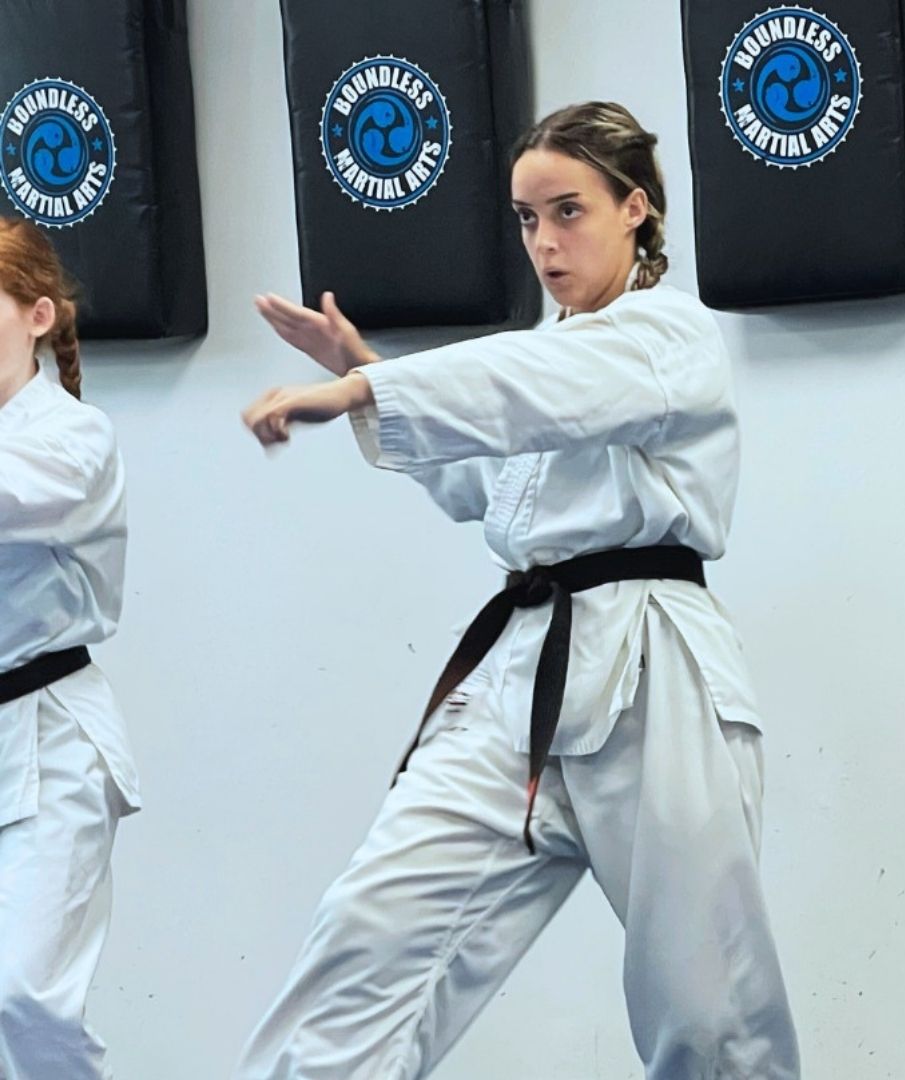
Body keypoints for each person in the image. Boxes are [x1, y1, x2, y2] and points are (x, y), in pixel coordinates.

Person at [238, 101, 799, 1079]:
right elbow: (489, 485)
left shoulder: (668, 337)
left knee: (709, 1012)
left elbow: (536, 384)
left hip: (653, 673)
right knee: (370, 929)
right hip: (523, 672)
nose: (544, 241)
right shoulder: (550, 357)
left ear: (637, 209)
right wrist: (368, 369)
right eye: (526, 219)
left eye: (568, 211)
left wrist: (369, 390)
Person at [0, 218, 141, 1078]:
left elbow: (15, 498)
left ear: (38, 316)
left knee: (27, 995)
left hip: (51, 744)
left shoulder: (73, 438)